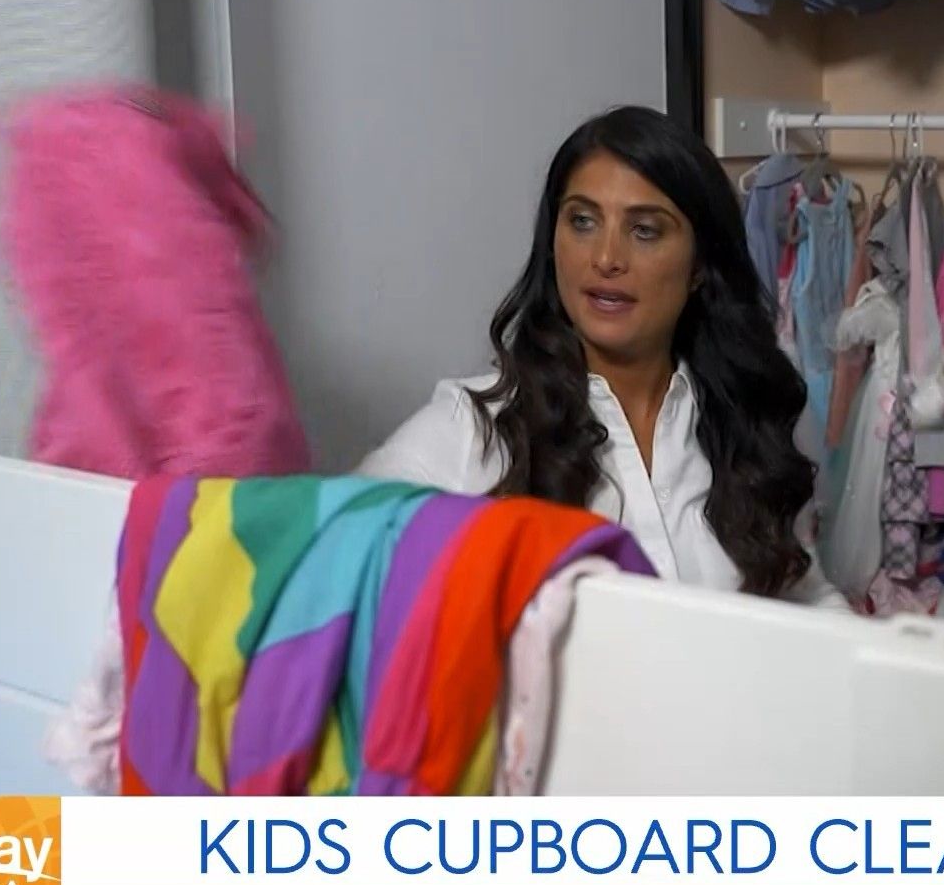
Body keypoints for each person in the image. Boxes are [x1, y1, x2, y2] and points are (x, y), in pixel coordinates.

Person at [360, 105, 846, 608]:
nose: (606, 258)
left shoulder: (750, 423)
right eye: (583, 221)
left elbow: (806, 593)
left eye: (645, 230)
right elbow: (341, 565)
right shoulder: (474, 428)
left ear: (700, 265)